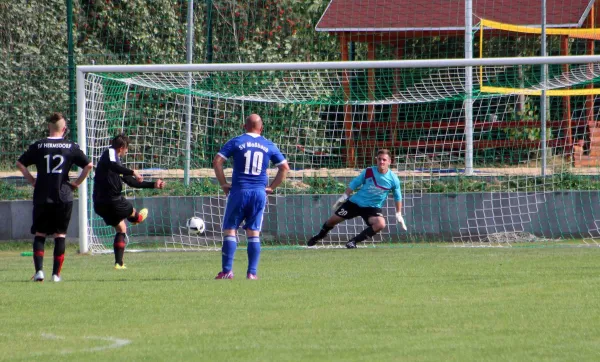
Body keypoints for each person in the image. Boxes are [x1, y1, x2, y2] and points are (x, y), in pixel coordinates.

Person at [16, 112, 93, 282]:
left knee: (40, 234)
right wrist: (76, 184)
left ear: (48, 127)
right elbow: (88, 165)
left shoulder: (38, 145)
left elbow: (20, 163)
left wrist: (32, 180)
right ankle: (56, 275)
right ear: (64, 129)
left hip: (42, 195)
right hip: (63, 196)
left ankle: (39, 272)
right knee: (60, 235)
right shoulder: (71, 146)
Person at [213, 114, 290, 280]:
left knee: (230, 230)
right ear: (261, 128)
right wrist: (271, 187)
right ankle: (252, 273)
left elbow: (217, 161)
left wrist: (223, 183)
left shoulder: (236, 141)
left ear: (244, 126)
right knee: (253, 233)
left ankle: (227, 271)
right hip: (259, 192)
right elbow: (284, 167)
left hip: (239, 191)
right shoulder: (268, 144)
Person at [307, 149, 407, 249]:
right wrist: (345, 196)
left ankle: (353, 242)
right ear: (376, 160)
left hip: (372, 208)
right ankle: (319, 236)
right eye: (379, 159)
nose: (381, 162)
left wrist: (398, 213)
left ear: (389, 162)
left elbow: (397, 196)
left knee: (380, 224)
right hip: (355, 203)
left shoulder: (393, 179)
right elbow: (355, 183)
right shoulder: (369, 171)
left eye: (384, 160)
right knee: (331, 221)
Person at [93, 134, 165, 269]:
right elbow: (117, 167)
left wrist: (153, 185)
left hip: (99, 204)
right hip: (112, 201)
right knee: (133, 213)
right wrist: (133, 171)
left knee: (121, 228)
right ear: (121, 148)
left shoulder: (115, 164)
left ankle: (119, 264)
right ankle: (137, 218)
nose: (126, 152)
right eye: (126, 149)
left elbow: (131, 182)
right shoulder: (110, 153)